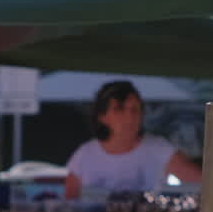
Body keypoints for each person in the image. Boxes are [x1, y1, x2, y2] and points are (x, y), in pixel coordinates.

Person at [63, 80, 201, 199]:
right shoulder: (84, 154)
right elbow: (69, 201)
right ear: (102, 116)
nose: (129, 117)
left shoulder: (158, 148)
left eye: (135, 109)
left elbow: (203, 183)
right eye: (119, 109)